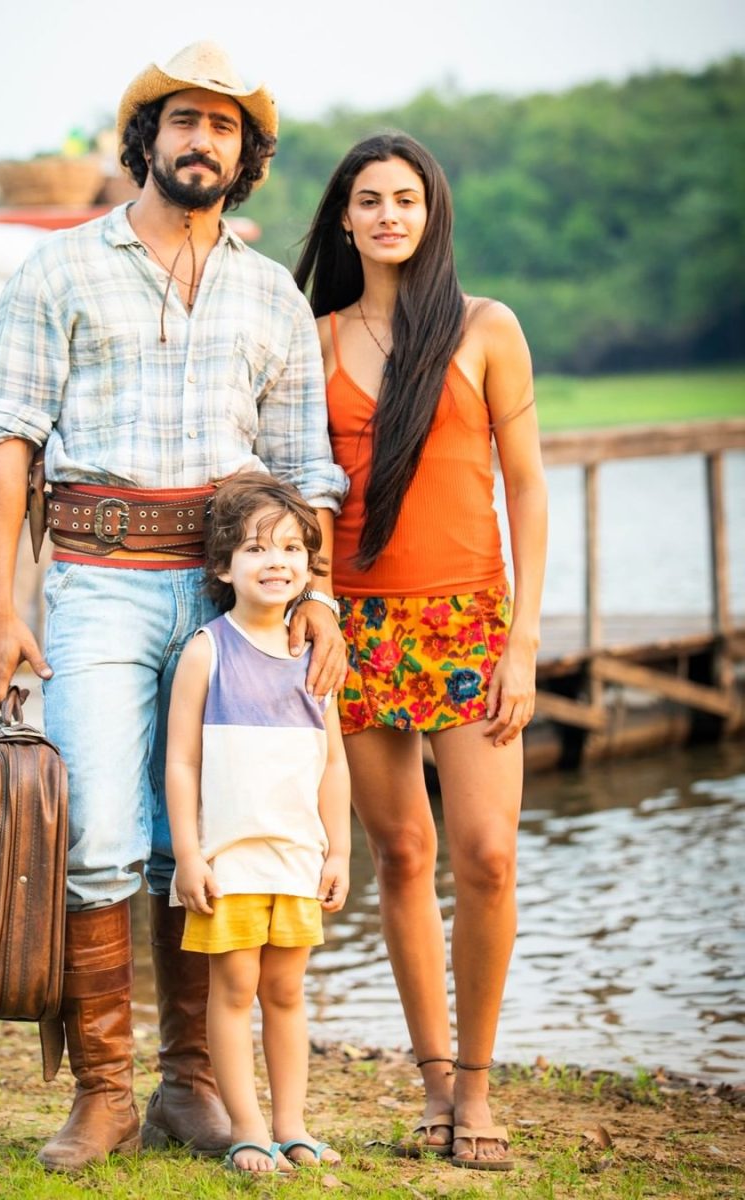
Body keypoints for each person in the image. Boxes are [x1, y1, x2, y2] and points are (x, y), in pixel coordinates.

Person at [0, 42, 348, 1171]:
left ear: (246, 154)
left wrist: (316, 595)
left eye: (226, 128)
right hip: (98, 585)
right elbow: (5, 454)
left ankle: (193, 1086)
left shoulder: (267, 290)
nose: (203, 142)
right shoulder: (57, 271)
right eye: (185, 121)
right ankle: (104, 1096)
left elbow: (302, 472)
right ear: (148, 138)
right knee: (99, 841)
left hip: (238, 605)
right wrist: (2, 612)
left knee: (219, 834)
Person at [295, 134, 548, 1172]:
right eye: (369, 200)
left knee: (487, 855)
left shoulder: (487, 329)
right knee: (401, 855)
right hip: (358, 628)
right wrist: (313, 605)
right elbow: (308, 495)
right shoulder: (314, 340)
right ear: (345, 218)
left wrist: (524, 639)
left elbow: (525, 485)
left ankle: (481, 1082)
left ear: (432, 213)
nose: (389, 215)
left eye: (406, 198)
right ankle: (436, 1082)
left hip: (469, 624)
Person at [166, 473, 350, 1176]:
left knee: (286, 991)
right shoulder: (208, 651)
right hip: (232, 861)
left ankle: (292, 1125)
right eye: (254, 549)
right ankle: (245, 1128)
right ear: (222, 566)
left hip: (298, 859)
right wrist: (190, 855)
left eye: (291, 548)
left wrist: (336, 852)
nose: (276, 562)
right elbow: (181, 764)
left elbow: (333, 763)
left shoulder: (316, 656)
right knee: (234, 988)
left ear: (309, 562)